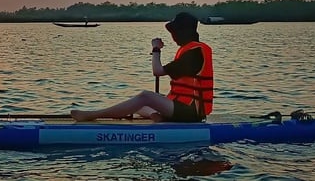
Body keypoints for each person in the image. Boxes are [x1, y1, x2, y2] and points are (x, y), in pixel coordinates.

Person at [70, 12, 213, 122]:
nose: (173, 36)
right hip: (181, 107)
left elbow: (157, 71)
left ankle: (93, 115)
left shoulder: (194, 53)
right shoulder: (190, 49)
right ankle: (159, 117)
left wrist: (156, 49)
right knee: (139, 106)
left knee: (145, 96)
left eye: (175, 33)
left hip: (190, 112)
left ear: (183, 32)